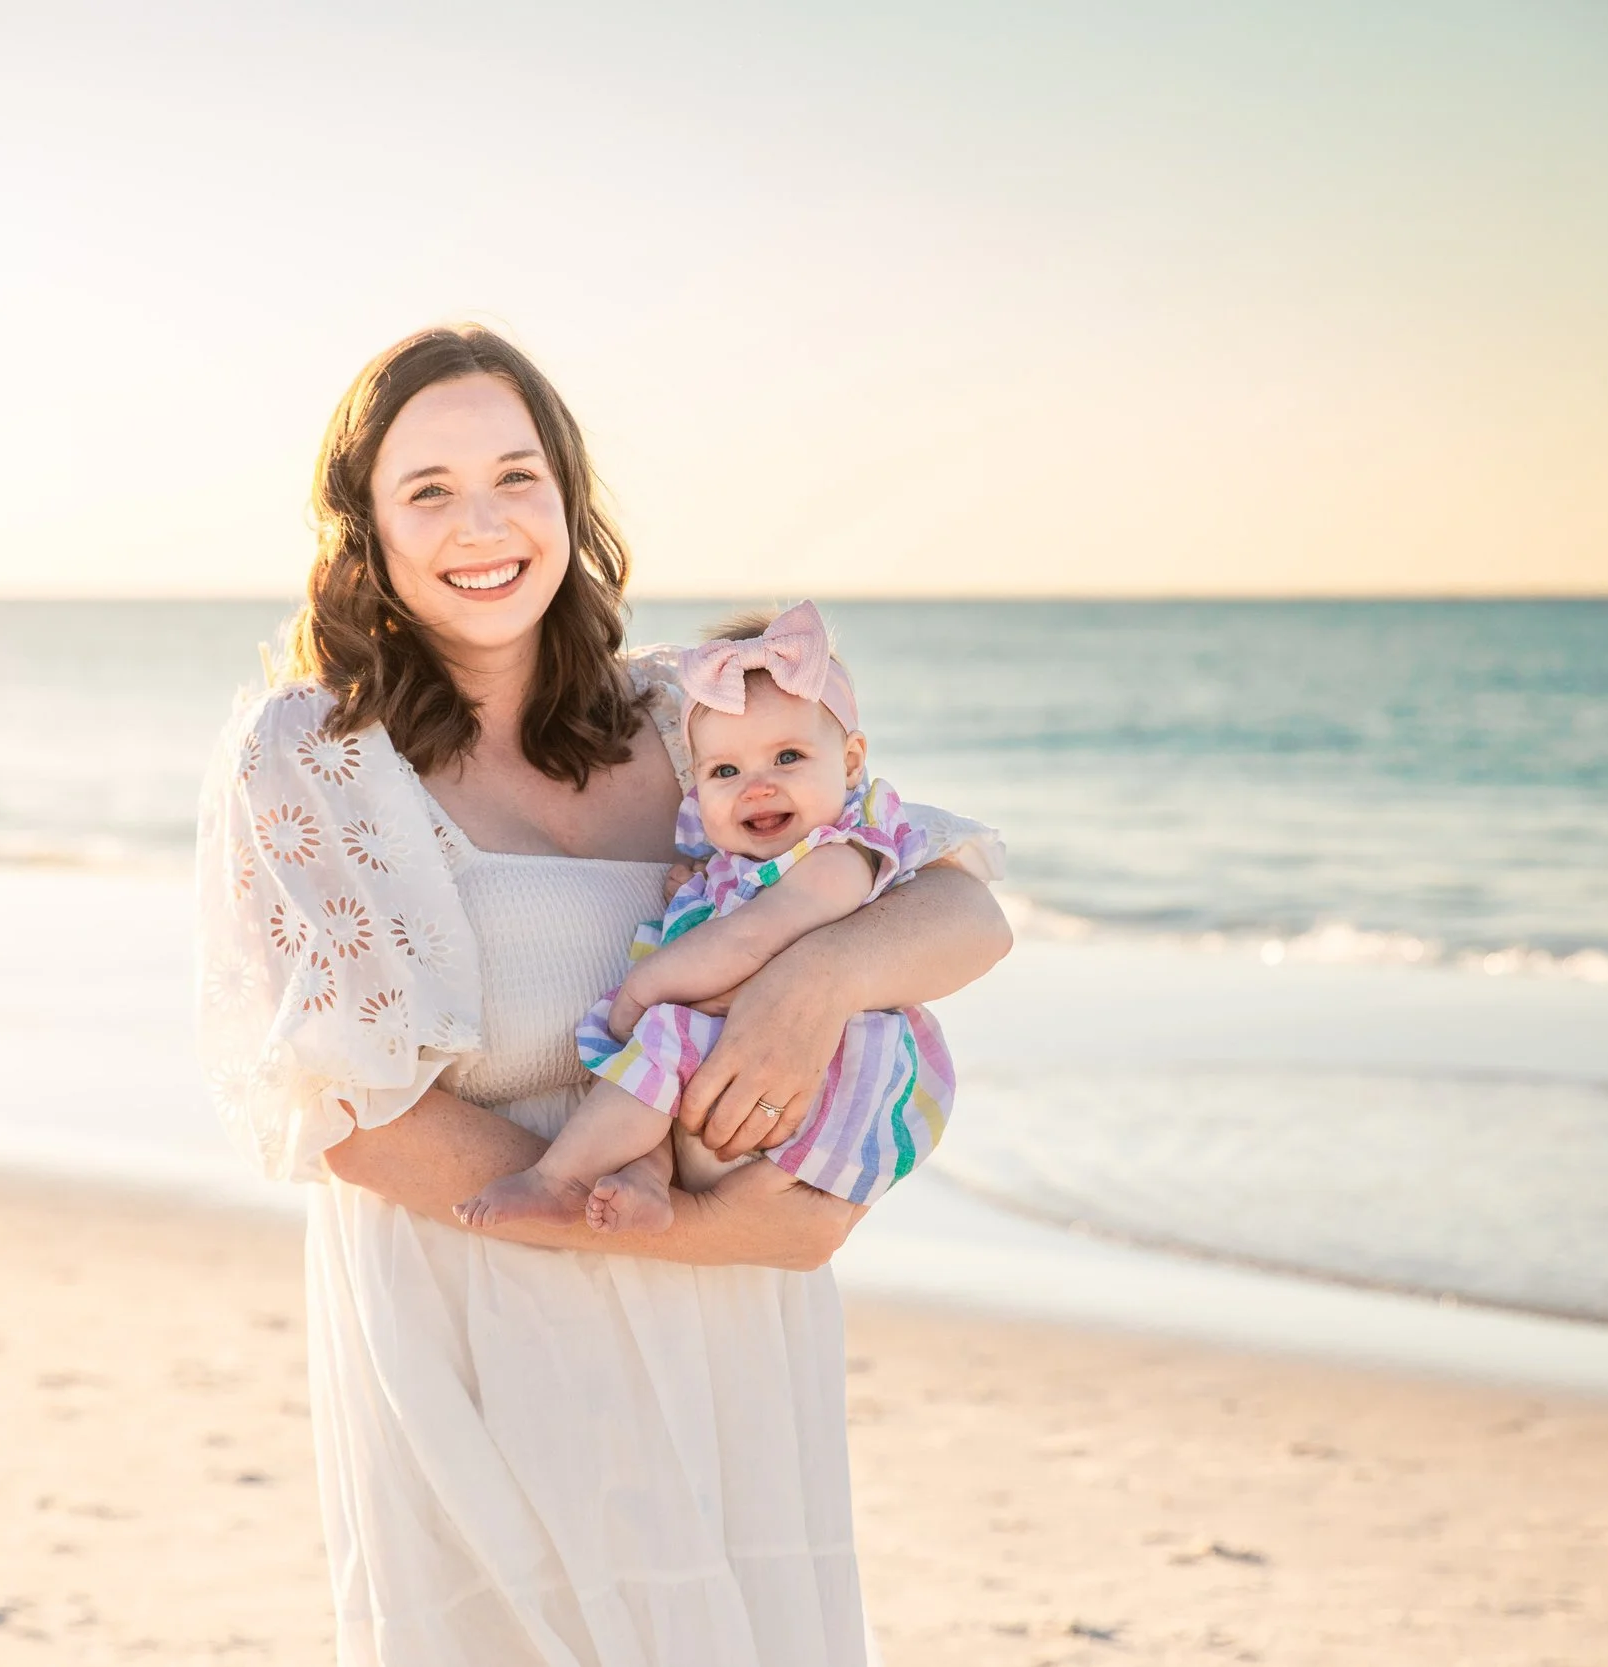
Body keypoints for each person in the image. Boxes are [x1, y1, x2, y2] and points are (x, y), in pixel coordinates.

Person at [195, 324, 1011, 1666]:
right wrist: (690, 1224)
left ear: (572, 497)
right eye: (431, 489)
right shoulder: (315, 751)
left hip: (727, 1331)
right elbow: (343, 1108)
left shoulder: (687, 715)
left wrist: (814, 978)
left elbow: (960, 896)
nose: (484, 523)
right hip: (486, 1305)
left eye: (518, 475)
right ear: (367, 530)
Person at [454, 599, 959, 1238]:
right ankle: (644, 1177)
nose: (757, 786)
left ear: (852, 763)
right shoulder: (747, 865)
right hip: (748, 1088)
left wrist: (647, 983)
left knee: (663, 1034)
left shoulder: (840, 858)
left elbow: (750, 938)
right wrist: (698, 894)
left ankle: (559, 1180)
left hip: (816, 1085)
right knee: (666, 1059)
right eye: (726, 770)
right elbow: (740, 919)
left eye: (788, 758)